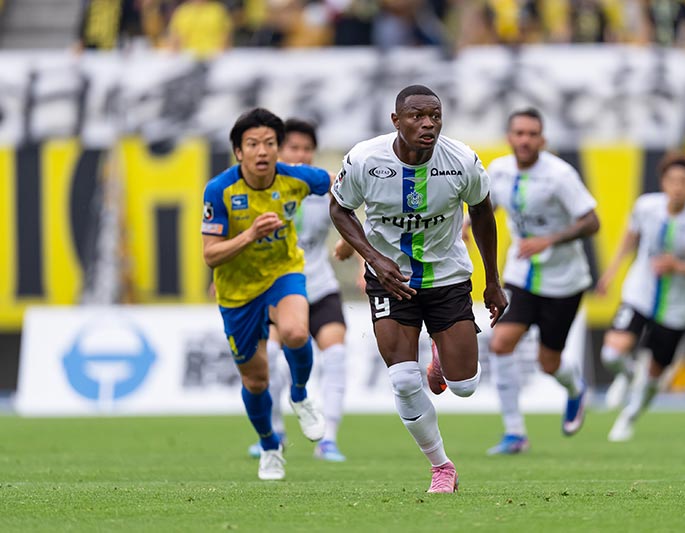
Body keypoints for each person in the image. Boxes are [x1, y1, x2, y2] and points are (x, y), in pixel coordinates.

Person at [329, 84, 508, 493]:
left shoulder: (462, 161)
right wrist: (373, 258)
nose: (428, 124)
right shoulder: (365, 159)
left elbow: (482, 213)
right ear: (396, 120)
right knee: (404, 382)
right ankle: (441, 466)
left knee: (465, 386)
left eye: (435, 116)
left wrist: (492, 281)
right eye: (417, 116)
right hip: (390, 281)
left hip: (447, 277)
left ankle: (442, 357)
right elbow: (339, 208)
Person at [202, 107, 328, 480]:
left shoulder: (297, 178)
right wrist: (250, 235)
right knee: (256, 380)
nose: (262, 151)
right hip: (237, 290)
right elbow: (210, 254)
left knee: (296, 332)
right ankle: (270, 446)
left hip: (282, 272)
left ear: (278, 148)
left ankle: (301, 394)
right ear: (238, 152)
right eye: (253, 144)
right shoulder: (220, 190)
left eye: (270, 143)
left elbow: (341, 185)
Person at [482, 108, 599, 455]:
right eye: (519, 133)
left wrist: (551, 239)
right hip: (521, 275)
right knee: (500, 343)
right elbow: (487, 208)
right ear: (509, 137)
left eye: (532, 134)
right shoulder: (499, 170)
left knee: (549, 363)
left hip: (564, 281)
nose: (525, 140)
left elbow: (592, 221)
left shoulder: (560, 175)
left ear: (543, 140)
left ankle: (575, 388)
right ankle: (514, 433)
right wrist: (469, 225)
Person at [596, 152, 685, 442]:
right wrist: (611, 273)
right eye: (672, 180)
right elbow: (630, 236)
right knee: (612, 353)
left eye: (684, 181)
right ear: (663, 182)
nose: (677, 187)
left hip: (676, 307)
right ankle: (628, 375)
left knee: (655, 372)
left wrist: (679, 266)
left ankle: (629, 417)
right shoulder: (646, 207)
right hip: (640, 292)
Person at [246, 118, 351, 462]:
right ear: (278, 151)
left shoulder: (325, 188)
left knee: (336, 355)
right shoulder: (260, 188)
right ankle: (275, 432)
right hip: (276, 290)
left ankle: (328, 439)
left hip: (319, 287)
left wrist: (352, 246)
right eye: (294, 147)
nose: (301, 155)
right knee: (272, 359)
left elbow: (355, 215)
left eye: (308, 149)